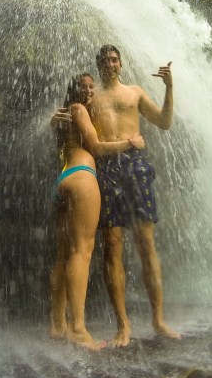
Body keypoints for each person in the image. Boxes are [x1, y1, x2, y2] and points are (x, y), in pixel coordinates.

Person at [53, 46, 180, 348]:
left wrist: (169, 88)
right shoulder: (90, 98)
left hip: (135, 166)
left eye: (113, 59)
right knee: (112, 246)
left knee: (146, 242)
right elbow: (70, 114)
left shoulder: (134, 92)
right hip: (105, 168)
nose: (109, 64)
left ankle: (159, 320)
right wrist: (51, 119)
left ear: (121, 64)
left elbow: (164, 121)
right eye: (104, 60)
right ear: (98, 66)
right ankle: (123, 326)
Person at [50, 72, 145, 350]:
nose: (91, 90)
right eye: (85, 86)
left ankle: (58, 325)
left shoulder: (65, 113)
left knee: (64, 254)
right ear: (75, 89)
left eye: (93, 86)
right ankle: (78, 329)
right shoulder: (79, 110)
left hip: (64, 178)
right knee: (83, 250)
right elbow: (95, 147)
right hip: (83, 176)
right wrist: (130, 144)